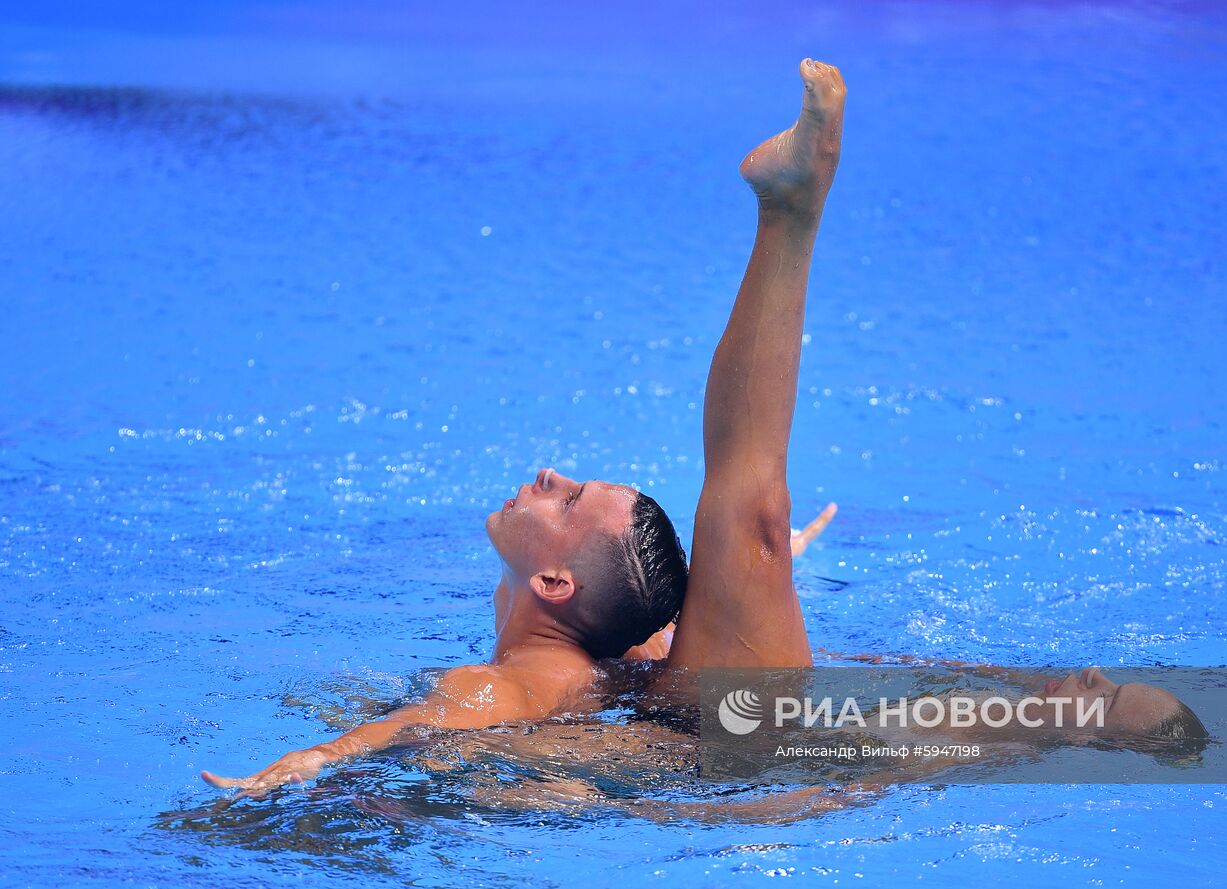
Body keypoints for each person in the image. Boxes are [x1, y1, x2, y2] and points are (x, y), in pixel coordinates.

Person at [201, 59, 847, 795]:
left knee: (751, 516)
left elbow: (415, 725)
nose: (550, 475)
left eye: (569, 500)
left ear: (554, 580)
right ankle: (790, 209)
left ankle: (794, 206)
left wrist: (317, 757)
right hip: (727, 756)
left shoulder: (514, 678)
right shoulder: (595, 650)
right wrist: (751, 580)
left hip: (750, 762)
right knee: (749, 523)